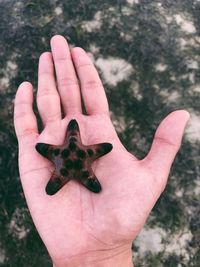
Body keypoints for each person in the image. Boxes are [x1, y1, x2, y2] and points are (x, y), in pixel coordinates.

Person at [13, 35, 189, 267]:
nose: (73, 135)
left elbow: (72, 144)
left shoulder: (64, 161)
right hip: (73, 167)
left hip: (67, 167)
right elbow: (73, 142)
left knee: (72, 156)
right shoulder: (75, 156)